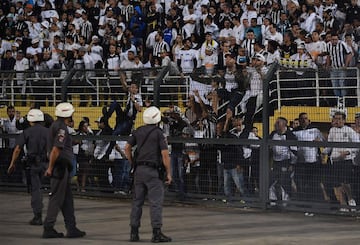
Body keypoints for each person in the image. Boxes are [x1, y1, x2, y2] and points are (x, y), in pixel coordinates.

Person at [125, 106, 172, 243]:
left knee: (137, 202)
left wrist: (133, 162)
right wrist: (168, 172)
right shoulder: (159, 133)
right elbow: (164, 155)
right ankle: (156, 233)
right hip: (153, 171)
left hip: (139, 170)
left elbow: (127, 147)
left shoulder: (138, 131)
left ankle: (134, 233)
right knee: (155, 203)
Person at [42, 102, 86, 238]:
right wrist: (50, 167)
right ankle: (48, 227)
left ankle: (71, 227)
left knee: (67, 199)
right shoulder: (61, 128)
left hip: (60, 166)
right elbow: (56, 149)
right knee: (56, 198)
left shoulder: (55, 126)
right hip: (60, 167)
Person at [7, 109, 48, 226]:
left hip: (34, 164)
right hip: (46, 164)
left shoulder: (27, 132)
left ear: (30, 120)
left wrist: (12, 163)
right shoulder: (48, 132)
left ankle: (37, 216)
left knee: (36, 190)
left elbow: (17, 149)